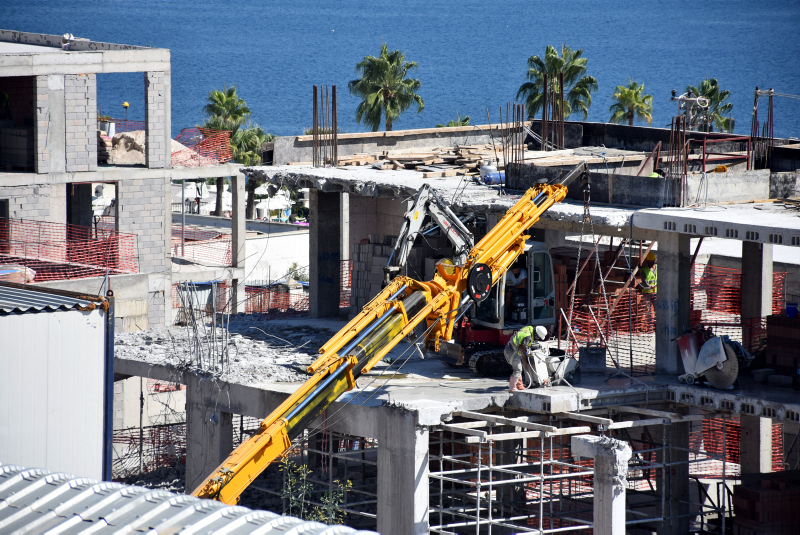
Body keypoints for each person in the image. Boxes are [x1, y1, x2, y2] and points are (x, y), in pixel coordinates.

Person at [504, 325, 548, 393]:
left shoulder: (528, 329)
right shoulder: (528, 336)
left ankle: (519, 385)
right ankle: (512, 388)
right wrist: (528, 352)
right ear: (536, 334)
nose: (537, 338)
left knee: (519, 368)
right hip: (512, 351)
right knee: (518, 370)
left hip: (511, 348)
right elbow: (522, 347)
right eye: (538, 337)